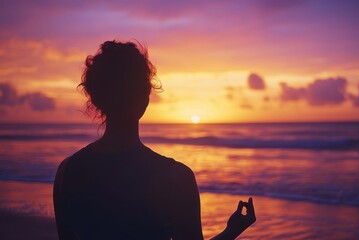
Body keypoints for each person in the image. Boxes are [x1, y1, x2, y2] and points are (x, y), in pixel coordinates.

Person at [53, 40, 256, 240]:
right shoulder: (175, 178)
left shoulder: (67, 172)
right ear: (145, 98)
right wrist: (231, 231)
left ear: (96, 99)